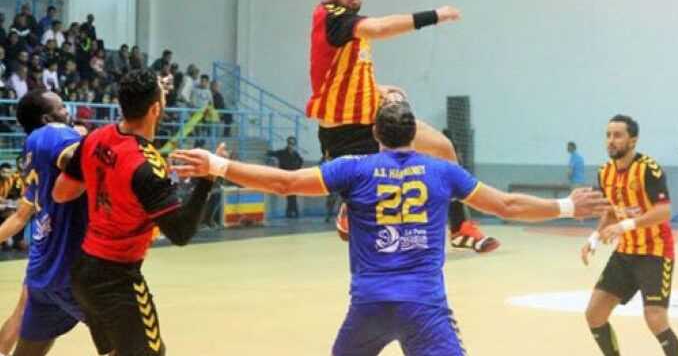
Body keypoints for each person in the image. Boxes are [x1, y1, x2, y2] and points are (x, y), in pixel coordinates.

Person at [171, 101, 608, 356]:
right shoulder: (442, 171)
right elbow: (507, 205)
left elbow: (284, 182)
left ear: (374, 132)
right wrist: (567, 206)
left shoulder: (353, 168)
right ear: (415, 133)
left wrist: (220, 165)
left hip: (370, 306)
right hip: (424, 308)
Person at [307, 0, 498, 252]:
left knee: (444, 148)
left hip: (370, 114)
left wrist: (378, 88)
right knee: (375, 193)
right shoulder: (334, 18)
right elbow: (381, 28)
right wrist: (436, 15)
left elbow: (344, 73)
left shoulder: (350, 28)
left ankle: (460, 227)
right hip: (344, 130)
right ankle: (350, 207)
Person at [52, 69, 218, 355]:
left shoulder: (95, 138)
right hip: (118, 278)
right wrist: (207, 180)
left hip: (83, 273)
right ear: (155, 109)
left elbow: (62, 192)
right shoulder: (147, 165)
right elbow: (180, 232)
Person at [0, 89, 110, 356]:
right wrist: (90, 142)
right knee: (129, 341)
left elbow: (20, 216)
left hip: (43, 265)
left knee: (26, 334)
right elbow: (79, 162)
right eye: (61, 107)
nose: (67, 111)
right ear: (48, 118)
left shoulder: (31, 150)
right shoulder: (55, 133)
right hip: (72, 264)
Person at [581, 115, 678, 356]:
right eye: (608, 135)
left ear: (632, 140)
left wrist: (625, 226)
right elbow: (610, 211)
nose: (611, 141)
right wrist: (594, 237)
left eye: (617, 135)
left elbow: (664, 211)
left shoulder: (648, 168)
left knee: (655, 317)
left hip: (655, 252)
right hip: (625, 253)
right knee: (594, 314)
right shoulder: (604, 172)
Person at [267, 136, 304, 218]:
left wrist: (297, 170)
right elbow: (272, 153)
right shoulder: (282, 152)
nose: (292, 145)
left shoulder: (296, 154)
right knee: (290, 195)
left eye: (293, 144)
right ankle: (293, 212)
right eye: (290, 143)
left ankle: (291, 212)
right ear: (288, 144)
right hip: (285, 176)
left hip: (294, 176)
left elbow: (300, 161)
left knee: (292, 195)